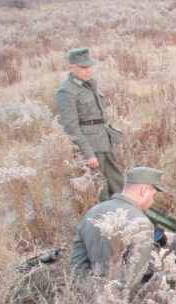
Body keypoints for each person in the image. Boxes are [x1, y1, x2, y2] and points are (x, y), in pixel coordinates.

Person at [56, 47, 124, 202]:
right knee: (101, 190)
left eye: (89, 66)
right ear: (71, 67)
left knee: (118, 184)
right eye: (83, 67)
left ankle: (127, 212)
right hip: (91, 146)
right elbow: (71, 127)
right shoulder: (66, 91)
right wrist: (89, 154)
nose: (88, 70)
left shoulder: (90, 84)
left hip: (104, 142)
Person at [70, 166, 164, 277]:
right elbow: (135, 276)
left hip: (85, 286)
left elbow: (77, 264)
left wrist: (89, 285)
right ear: (143, 191)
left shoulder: (93, 211)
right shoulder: (141, 222)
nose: (153, 201)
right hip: (118, 287)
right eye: (153, 195)